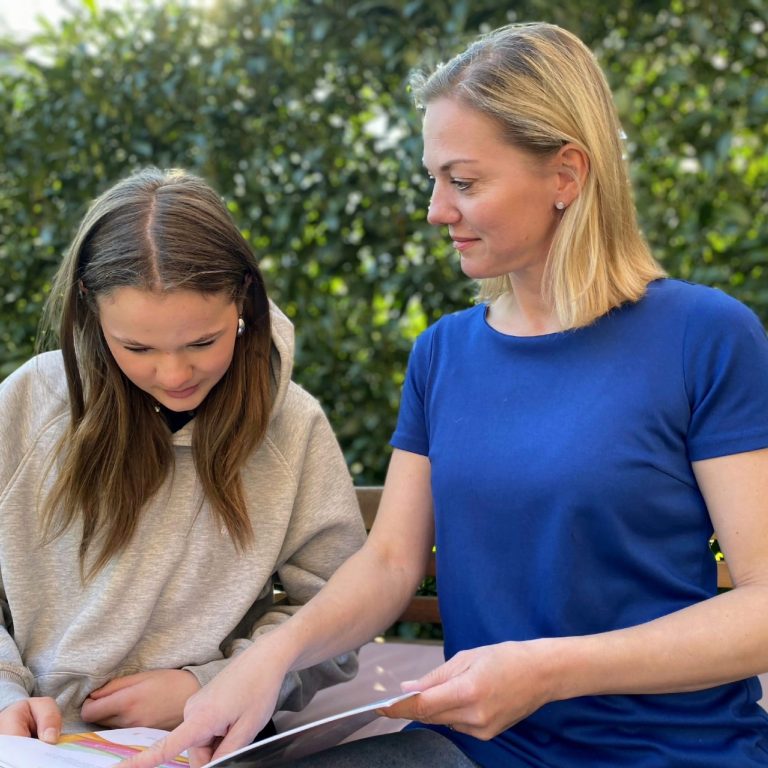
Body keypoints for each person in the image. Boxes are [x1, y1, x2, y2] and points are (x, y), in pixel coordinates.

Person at [122, 22, 768, 768]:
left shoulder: (705, 337)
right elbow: (391, 562)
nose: (436, 210)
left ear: (566, 175)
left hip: (673, 751)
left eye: (463, 181)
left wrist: (549, 670)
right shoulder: (443, 353)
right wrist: (270, 657)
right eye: (434, 179)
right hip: (475, 751)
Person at [0, 168, 367, 742]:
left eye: (202, 342)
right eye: (137, 347)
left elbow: (341, 614)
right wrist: (5, 694)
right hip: (35, 747)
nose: (174, 375)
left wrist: (214, 685)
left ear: (243, 298)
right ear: (89, 307)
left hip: (204, 745)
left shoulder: (292, 428)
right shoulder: (25, 404)